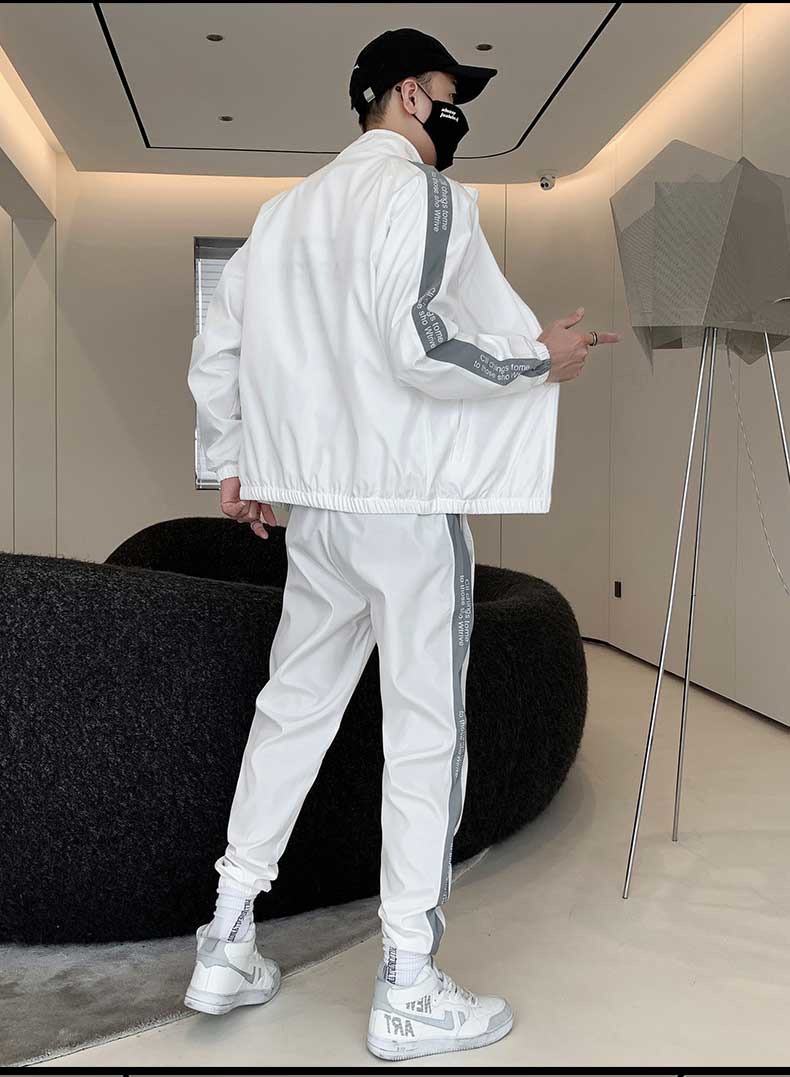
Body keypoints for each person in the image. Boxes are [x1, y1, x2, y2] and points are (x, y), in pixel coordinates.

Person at [184, 26, 621, 1062]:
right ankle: (409, 985)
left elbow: (220, 348)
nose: (456, 111)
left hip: (318, 512)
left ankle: (227, 936)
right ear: (408, 96)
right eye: (447, 90)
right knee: (424, 731)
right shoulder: (420, 195)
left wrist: (234, 461)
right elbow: (420, 340)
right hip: (405, 506)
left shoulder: (282, 215)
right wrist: (540, 357)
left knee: (291, 711)